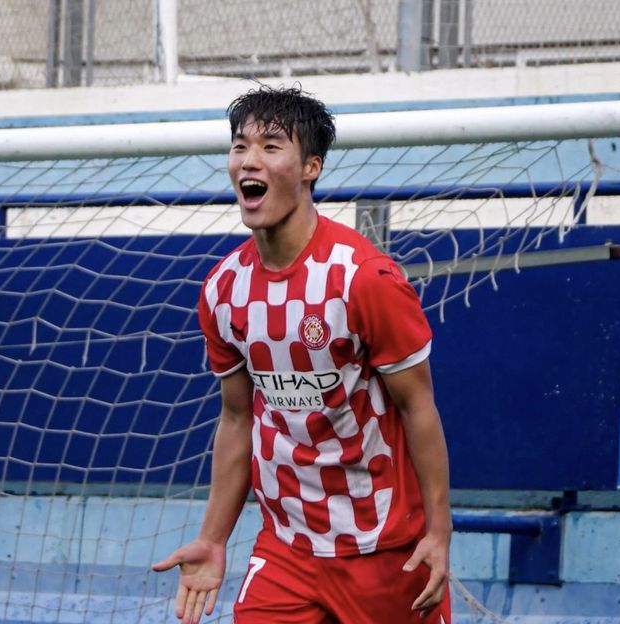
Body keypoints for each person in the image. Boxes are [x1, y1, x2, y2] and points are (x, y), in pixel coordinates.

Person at [153, 84, 452, 624]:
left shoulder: (364, 278)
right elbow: (237, 417)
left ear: (311, 167)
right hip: (286, 550)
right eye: (240, 146)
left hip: (385, 548)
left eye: (271, 147)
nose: (250, 160)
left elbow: (418, 407)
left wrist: (439, 529)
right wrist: (214, 538)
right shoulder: (223, 290)